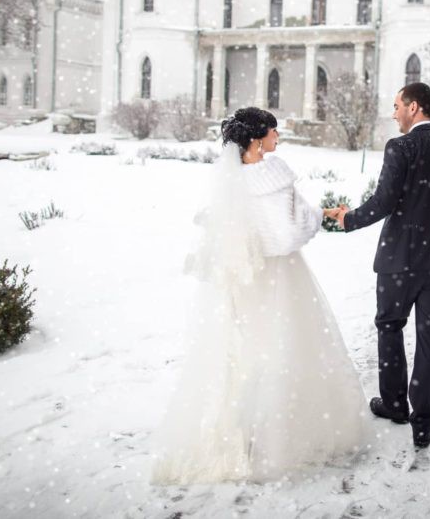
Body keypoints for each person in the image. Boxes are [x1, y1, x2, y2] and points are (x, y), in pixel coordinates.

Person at [151, 107, 369, 484]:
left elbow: (222, 227)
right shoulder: (275, 176)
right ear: (257, 139)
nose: (277, 137)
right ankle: (280, 436)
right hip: (280, 278)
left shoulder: (231, 181)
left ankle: (242, 431)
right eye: (273, 131)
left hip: (245, 279)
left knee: (246, 353)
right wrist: (317, 218)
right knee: (287, 348)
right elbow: (287, 235)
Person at [334, 82, 430, 448]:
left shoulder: (401, 147)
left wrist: (349, 218)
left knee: (390, 326)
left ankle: (395, 404)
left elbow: (384, 201)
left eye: (397, 105)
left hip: (399, 260)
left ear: (414, 107)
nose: (394, 112)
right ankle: (423, 421)